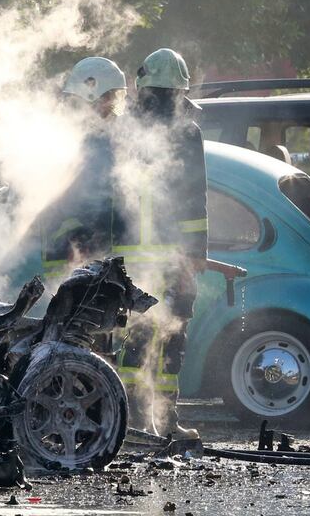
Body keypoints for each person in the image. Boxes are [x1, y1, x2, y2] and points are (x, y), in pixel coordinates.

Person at [115, 48, 208, 440]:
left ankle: (131, 423)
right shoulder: (186, 133)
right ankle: (166, 423)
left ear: (142, 86)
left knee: (131, 339)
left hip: (128, 258)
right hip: (171, 257)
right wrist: (195, 255)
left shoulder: (122, 129)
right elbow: (194, 201)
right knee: (171, 338)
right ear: (178, 91)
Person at [38, 57, 128, 278]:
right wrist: (82, 241)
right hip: (73, 257)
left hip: (89, 258)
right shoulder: (78, 140)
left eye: (113, 96)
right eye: (109, 96)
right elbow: (66, 203)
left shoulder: (107, 137)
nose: (112, 103)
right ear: (93, 95)